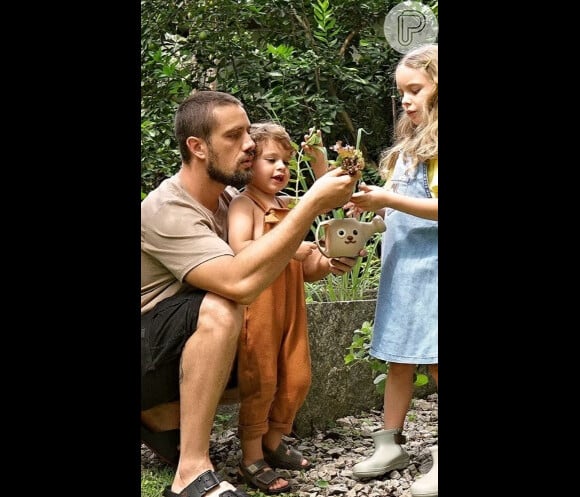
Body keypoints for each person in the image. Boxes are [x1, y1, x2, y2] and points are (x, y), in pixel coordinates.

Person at [141, 90, 362, 497]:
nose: (249, 145)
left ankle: (159, 418)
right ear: (197, 147)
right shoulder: (166, 208)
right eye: (234, 136)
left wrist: (326, 257)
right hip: (148, 351)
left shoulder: (232, 199)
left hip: (175, 350)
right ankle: (190, 473)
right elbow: (239, 283)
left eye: (248, 133)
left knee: (272, 356)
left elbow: (278, 263)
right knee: (226, 306)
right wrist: (310, 205)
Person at [227, 122, 353, 494]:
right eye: (271, 160)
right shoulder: (243, 203)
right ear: (250, 164)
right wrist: (291, 248)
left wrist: (328, 262)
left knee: (297, 378)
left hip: (292, 311)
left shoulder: (289, 207)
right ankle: (251, 455)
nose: (281, 168)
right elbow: (240, 251)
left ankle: (273, 440)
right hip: (258, 312)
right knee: (261, 381)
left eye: (286, 161)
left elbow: (308, 266)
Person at [345, 43, 438, 497]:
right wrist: (369, 218)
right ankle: (390, 442)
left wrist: (387, 199)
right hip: (403, 271)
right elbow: (396, 212)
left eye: (415, 89)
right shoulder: (408, 149)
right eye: (401, 91)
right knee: (400, 357)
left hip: (434, 272)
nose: (405, 99)